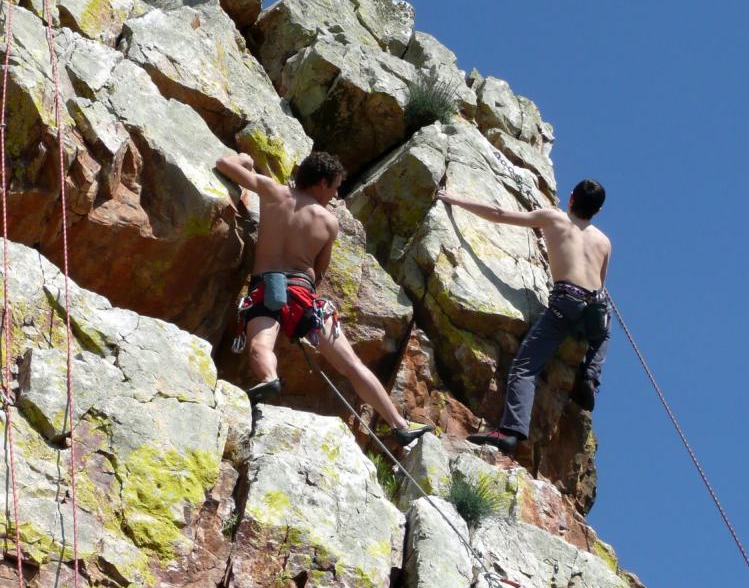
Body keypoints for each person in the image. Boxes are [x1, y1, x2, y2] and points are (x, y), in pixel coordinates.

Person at [216, 149, 433, 446]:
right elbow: (319, 271)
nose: (335, 192)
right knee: (352, 365)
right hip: (304, 296)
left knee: (259, 345)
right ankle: (399, 423)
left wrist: (245, 158)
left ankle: (269, 379)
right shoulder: (329, 223)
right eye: (334, 186)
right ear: (321, 182)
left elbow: (224, 164)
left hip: (267, 288)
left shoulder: (271, 190)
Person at [436, 179, 611, 453]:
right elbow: (601, 285)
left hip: (566, 301)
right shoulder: (604, 241)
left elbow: (499, 213)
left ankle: (511, 430)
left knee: (525, 367)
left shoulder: (554, 218)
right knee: (603, 333)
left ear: (571, 198)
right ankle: (590, 376)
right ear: (598, 212)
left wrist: (454, 198)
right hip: (595, 306)